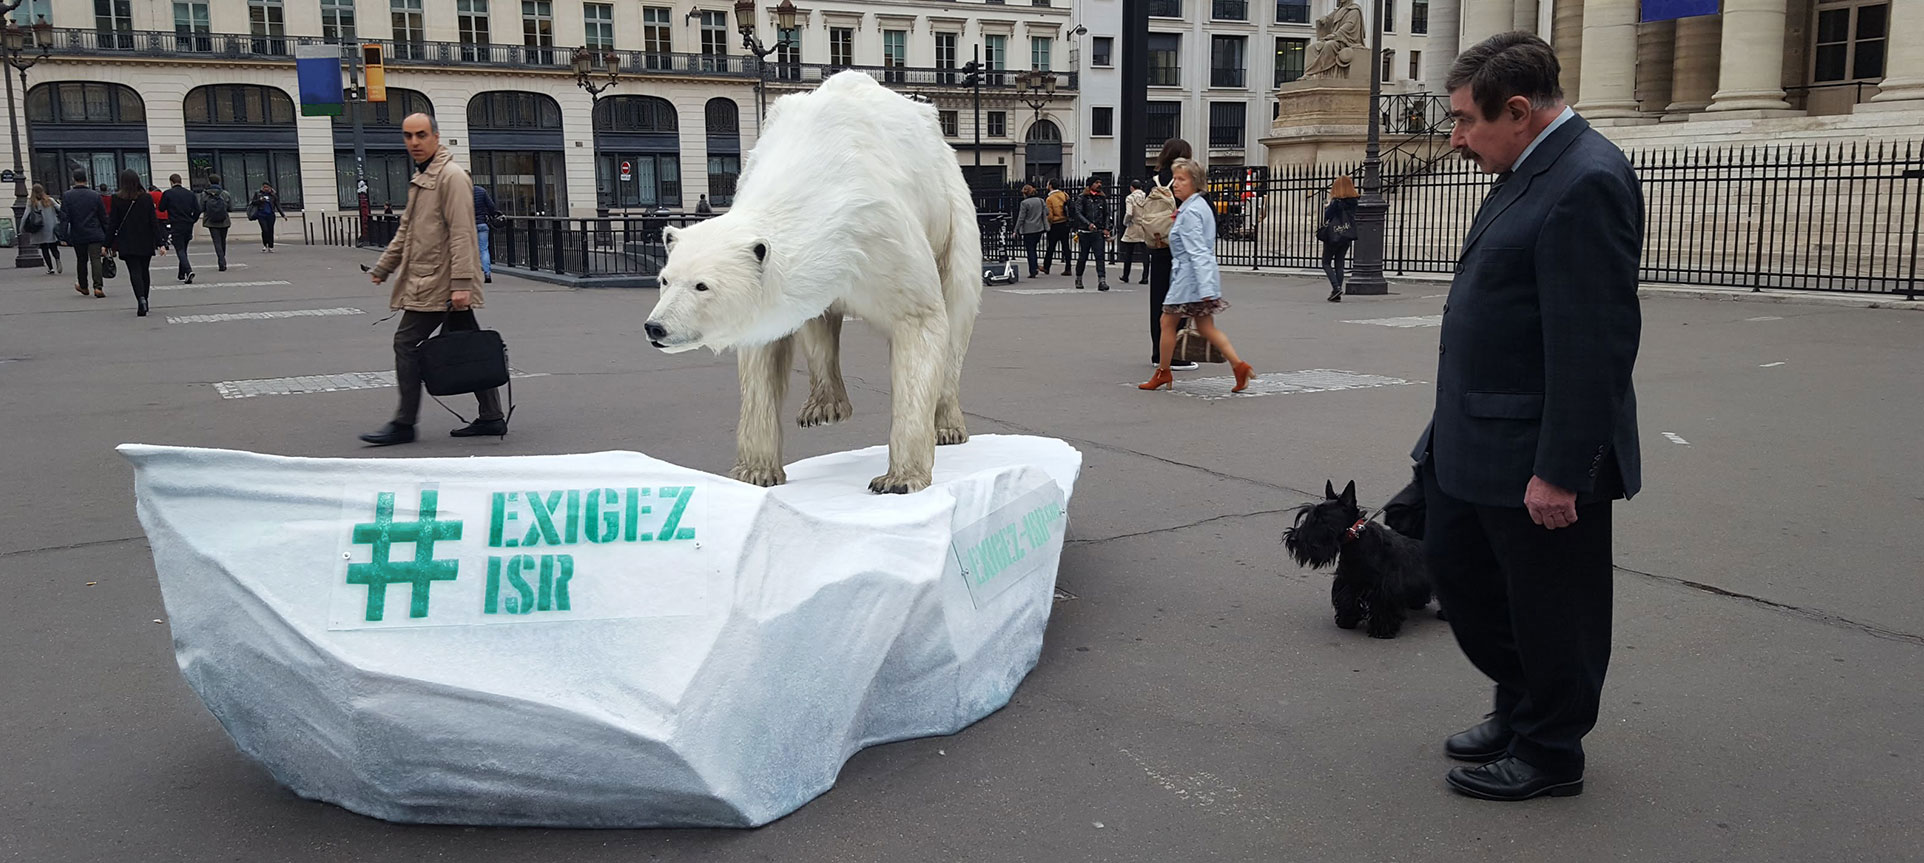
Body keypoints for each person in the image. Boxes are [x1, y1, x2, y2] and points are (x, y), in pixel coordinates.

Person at [1413, 32, 1643, 803]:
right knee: (1466, 579)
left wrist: (1561, 470)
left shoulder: (1588, 179)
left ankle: (1550, 748)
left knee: (1551, 608)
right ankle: (1518, 705)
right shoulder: (1524, 163)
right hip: (1474, 436)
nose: (1456, 137)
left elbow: (1594, 344)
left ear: (1518, 110)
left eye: (1464, 121)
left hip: (1537, 455)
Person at [360, 112, 505, 447]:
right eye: (408, 136)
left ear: (436, 137)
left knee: (406, 343)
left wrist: (462, 285)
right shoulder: (423, 179)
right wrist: (384, 266)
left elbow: (462, 233)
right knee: (469, 344)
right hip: (434, 280)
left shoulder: (450, 177)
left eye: (421, 135)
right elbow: (407, 231)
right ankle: (492, 416)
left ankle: (404, 423)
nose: (414, 142)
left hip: (441, 283)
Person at [1139, 158, 1252, 393]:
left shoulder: (1191, 212)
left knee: (1166, 323)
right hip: (1197, 277)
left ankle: (1163, 371)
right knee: (1205, 327)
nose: (1175, 184)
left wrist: (1205, 288)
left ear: (1195, 183)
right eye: (1175, 178)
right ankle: (1238, 366)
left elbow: (1196, 251)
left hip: (1188, 279)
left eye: (1181, 179)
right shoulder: (1198, 206)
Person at [1148, 139, 1199, 372]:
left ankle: (1158, 352)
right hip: (1179, 247)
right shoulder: (1183, 178)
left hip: (1158, 244)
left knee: (1158, 301)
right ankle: (1176, 356)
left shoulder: (1155, 179)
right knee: (1179, 300)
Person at [106, 168, 167, 317]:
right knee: (144, 270)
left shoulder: (116, 198)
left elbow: (113, 223)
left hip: (126, 240)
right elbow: (153, 222)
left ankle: (140, 299)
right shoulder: (146, 198)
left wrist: (106, 244)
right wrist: (160, 243)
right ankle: (145, 299)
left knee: (134, 271)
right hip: (145, 239)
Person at [60, 170, 110, 298]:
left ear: (73, 179)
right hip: (95, 232)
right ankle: (98, 287)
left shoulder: (67, 196)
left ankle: (83, 286)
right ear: (86, 179)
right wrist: (108, 235)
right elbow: (103, 217)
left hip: (78, 232)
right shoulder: (95, 195)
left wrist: (63, 236)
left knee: (81, 260)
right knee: (96, 259)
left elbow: (64, 218)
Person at [1320, 175, 1360, 302]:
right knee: (1339, 263)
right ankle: (1337, 290)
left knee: (1326, 262)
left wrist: (1327, 206)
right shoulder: (1354, 201)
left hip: (1334, 234)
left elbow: (1327, 216)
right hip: (1347, 234)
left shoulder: (1336, 202)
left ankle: (1336, 287)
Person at [1071, 176, 1112, 291]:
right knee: (1083, 257)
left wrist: (1106, 228)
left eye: (1100, 182)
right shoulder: (1082, 198)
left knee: (1100, 257)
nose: (1099, 184)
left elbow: (1106, 214)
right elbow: (1078, 213)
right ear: (1090, 185)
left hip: (1098, 232)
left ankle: (1102, 280)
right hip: (1085, 232)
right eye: (1096, 182)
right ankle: (1079, 278)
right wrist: (1088, 223)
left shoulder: (1102, 198)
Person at [159, 173, 201, 284]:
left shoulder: (168, 193)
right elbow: (198, 210)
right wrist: (193, 220)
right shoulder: (190, 194)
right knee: (184, 248)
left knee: (180, 249)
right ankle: (181, 273)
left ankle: (188, 271)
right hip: (188, 224)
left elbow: (161, 208)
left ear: (171, 182)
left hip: (176, 223)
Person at [199, 173, 235, 272]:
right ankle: (222, 259)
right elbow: (230, 208)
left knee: (217, 242)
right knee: (223, 241)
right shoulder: (225, 193)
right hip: (224, 220)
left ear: (209, 182)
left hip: (211, 221)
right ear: (219, 181)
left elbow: (201, 208)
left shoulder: (204, 194)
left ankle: (221, 261)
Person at [24, 183, 61, 275]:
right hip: (51, 227)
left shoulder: (31, 202)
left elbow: (26, 215)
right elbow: (60, 209)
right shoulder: (50, 200)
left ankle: (50, 268)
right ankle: (58, 259)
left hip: (40, 228)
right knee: (53, 247)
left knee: (44, 249)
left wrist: (22, 228)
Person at [1118, 179, 1148, 285]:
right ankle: (1145, 277)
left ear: (1132, 187)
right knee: (1145, 254)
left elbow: (1129, 213)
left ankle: (1126, 275)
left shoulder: (1130, 198)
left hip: (1133, 226)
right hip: (1145, 226)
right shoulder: (1147, 197)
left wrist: (1125, 222)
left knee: (1128, 253)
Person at [1015, 184, 1047, 278]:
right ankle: (1035, 266)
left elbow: (1021, 218)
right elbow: (1047, 212)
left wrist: (1016, 229)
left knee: (1030, 250)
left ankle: (1033, 270)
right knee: (1034, 248)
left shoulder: (1024, 203)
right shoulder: (1041, 201)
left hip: (1028, 230)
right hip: (1039, 228)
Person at [1041, 179, 1070, 275]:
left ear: (1050, 186)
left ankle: (1046, 266)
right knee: (1066, 246)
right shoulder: (1064, 195)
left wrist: (1048, 225)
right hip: (1065, 222)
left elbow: (1050, 215)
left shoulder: (1049, 199)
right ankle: (1068, 267)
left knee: (1051, 247)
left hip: (1055, 224)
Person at [473, 183, 500, 284]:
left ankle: (473, 274)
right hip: (482, 223)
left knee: (471, 250)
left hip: (469, 225)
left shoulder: (463, 192)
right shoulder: (481, 191)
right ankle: (487, 273)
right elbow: (491, 206)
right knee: (484, 249)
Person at [250, 182, 286, 252]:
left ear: (270, 188)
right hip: (261, 215)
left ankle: (270, 246)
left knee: (270, 230)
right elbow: (253, 202)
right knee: (265, 230)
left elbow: (278, 205)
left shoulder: (273, 195)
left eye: (267, 187)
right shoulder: (258, 193)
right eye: (264, 187)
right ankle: (265, 244)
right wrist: (260, 200)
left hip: (270, 215)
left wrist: (283, 215)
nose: (265, 189)